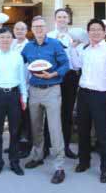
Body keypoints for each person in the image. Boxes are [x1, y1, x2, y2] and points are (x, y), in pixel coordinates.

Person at [70, 18, 106, 184]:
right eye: (92, 29)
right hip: (84, 95)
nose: (95, 32)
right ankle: (84, 162)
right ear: (88, 33)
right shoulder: (85, 49)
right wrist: (74, 49)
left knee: (103, 133)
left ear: (104, 32)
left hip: (101, 95)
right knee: (83, 130)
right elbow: (76, 65)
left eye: (98, 29)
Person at [21, 16, 69, 184]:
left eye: (41, 26)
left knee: (55, 129)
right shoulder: (27, 47)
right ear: (32, 30)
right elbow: (18, 64)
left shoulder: (55, 44)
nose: (39, 29)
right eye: (35, 27)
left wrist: (53, 74)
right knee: (36, 127)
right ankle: (38, 156)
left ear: (46, 28)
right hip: (34, 91)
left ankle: (59, 167)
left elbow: (65, 64)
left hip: (52, 90)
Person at [0, 27, 28, 176]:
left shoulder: (18, 56)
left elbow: (22, 78)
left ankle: (14, 162)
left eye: (8, 37)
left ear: (12, 39)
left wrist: (24, 97)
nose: (5, 40)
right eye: (2, 37)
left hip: (14, 95)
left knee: (15, 131)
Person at [47, 8, 80, 159]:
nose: (61, 19)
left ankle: (66, 146)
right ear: (55, 20)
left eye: (64, 17)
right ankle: (47, 147)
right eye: (59, 17)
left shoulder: (75, 37)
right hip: (53, 76)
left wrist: (73, 48)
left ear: (68, 19)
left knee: (66, 112)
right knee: (50, 112)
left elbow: (78, 64)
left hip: (70, 77)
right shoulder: (49, 37)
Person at [11, 21, 31, 158]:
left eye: (22, 29)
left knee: (25, 119)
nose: (19, 31)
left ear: (26, 30)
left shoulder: (30, 46)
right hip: (12, 87)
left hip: (26, 86)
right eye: (17, 29)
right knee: (14, 118)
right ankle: (14, 144)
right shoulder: (10, 44)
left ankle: (25, 147)